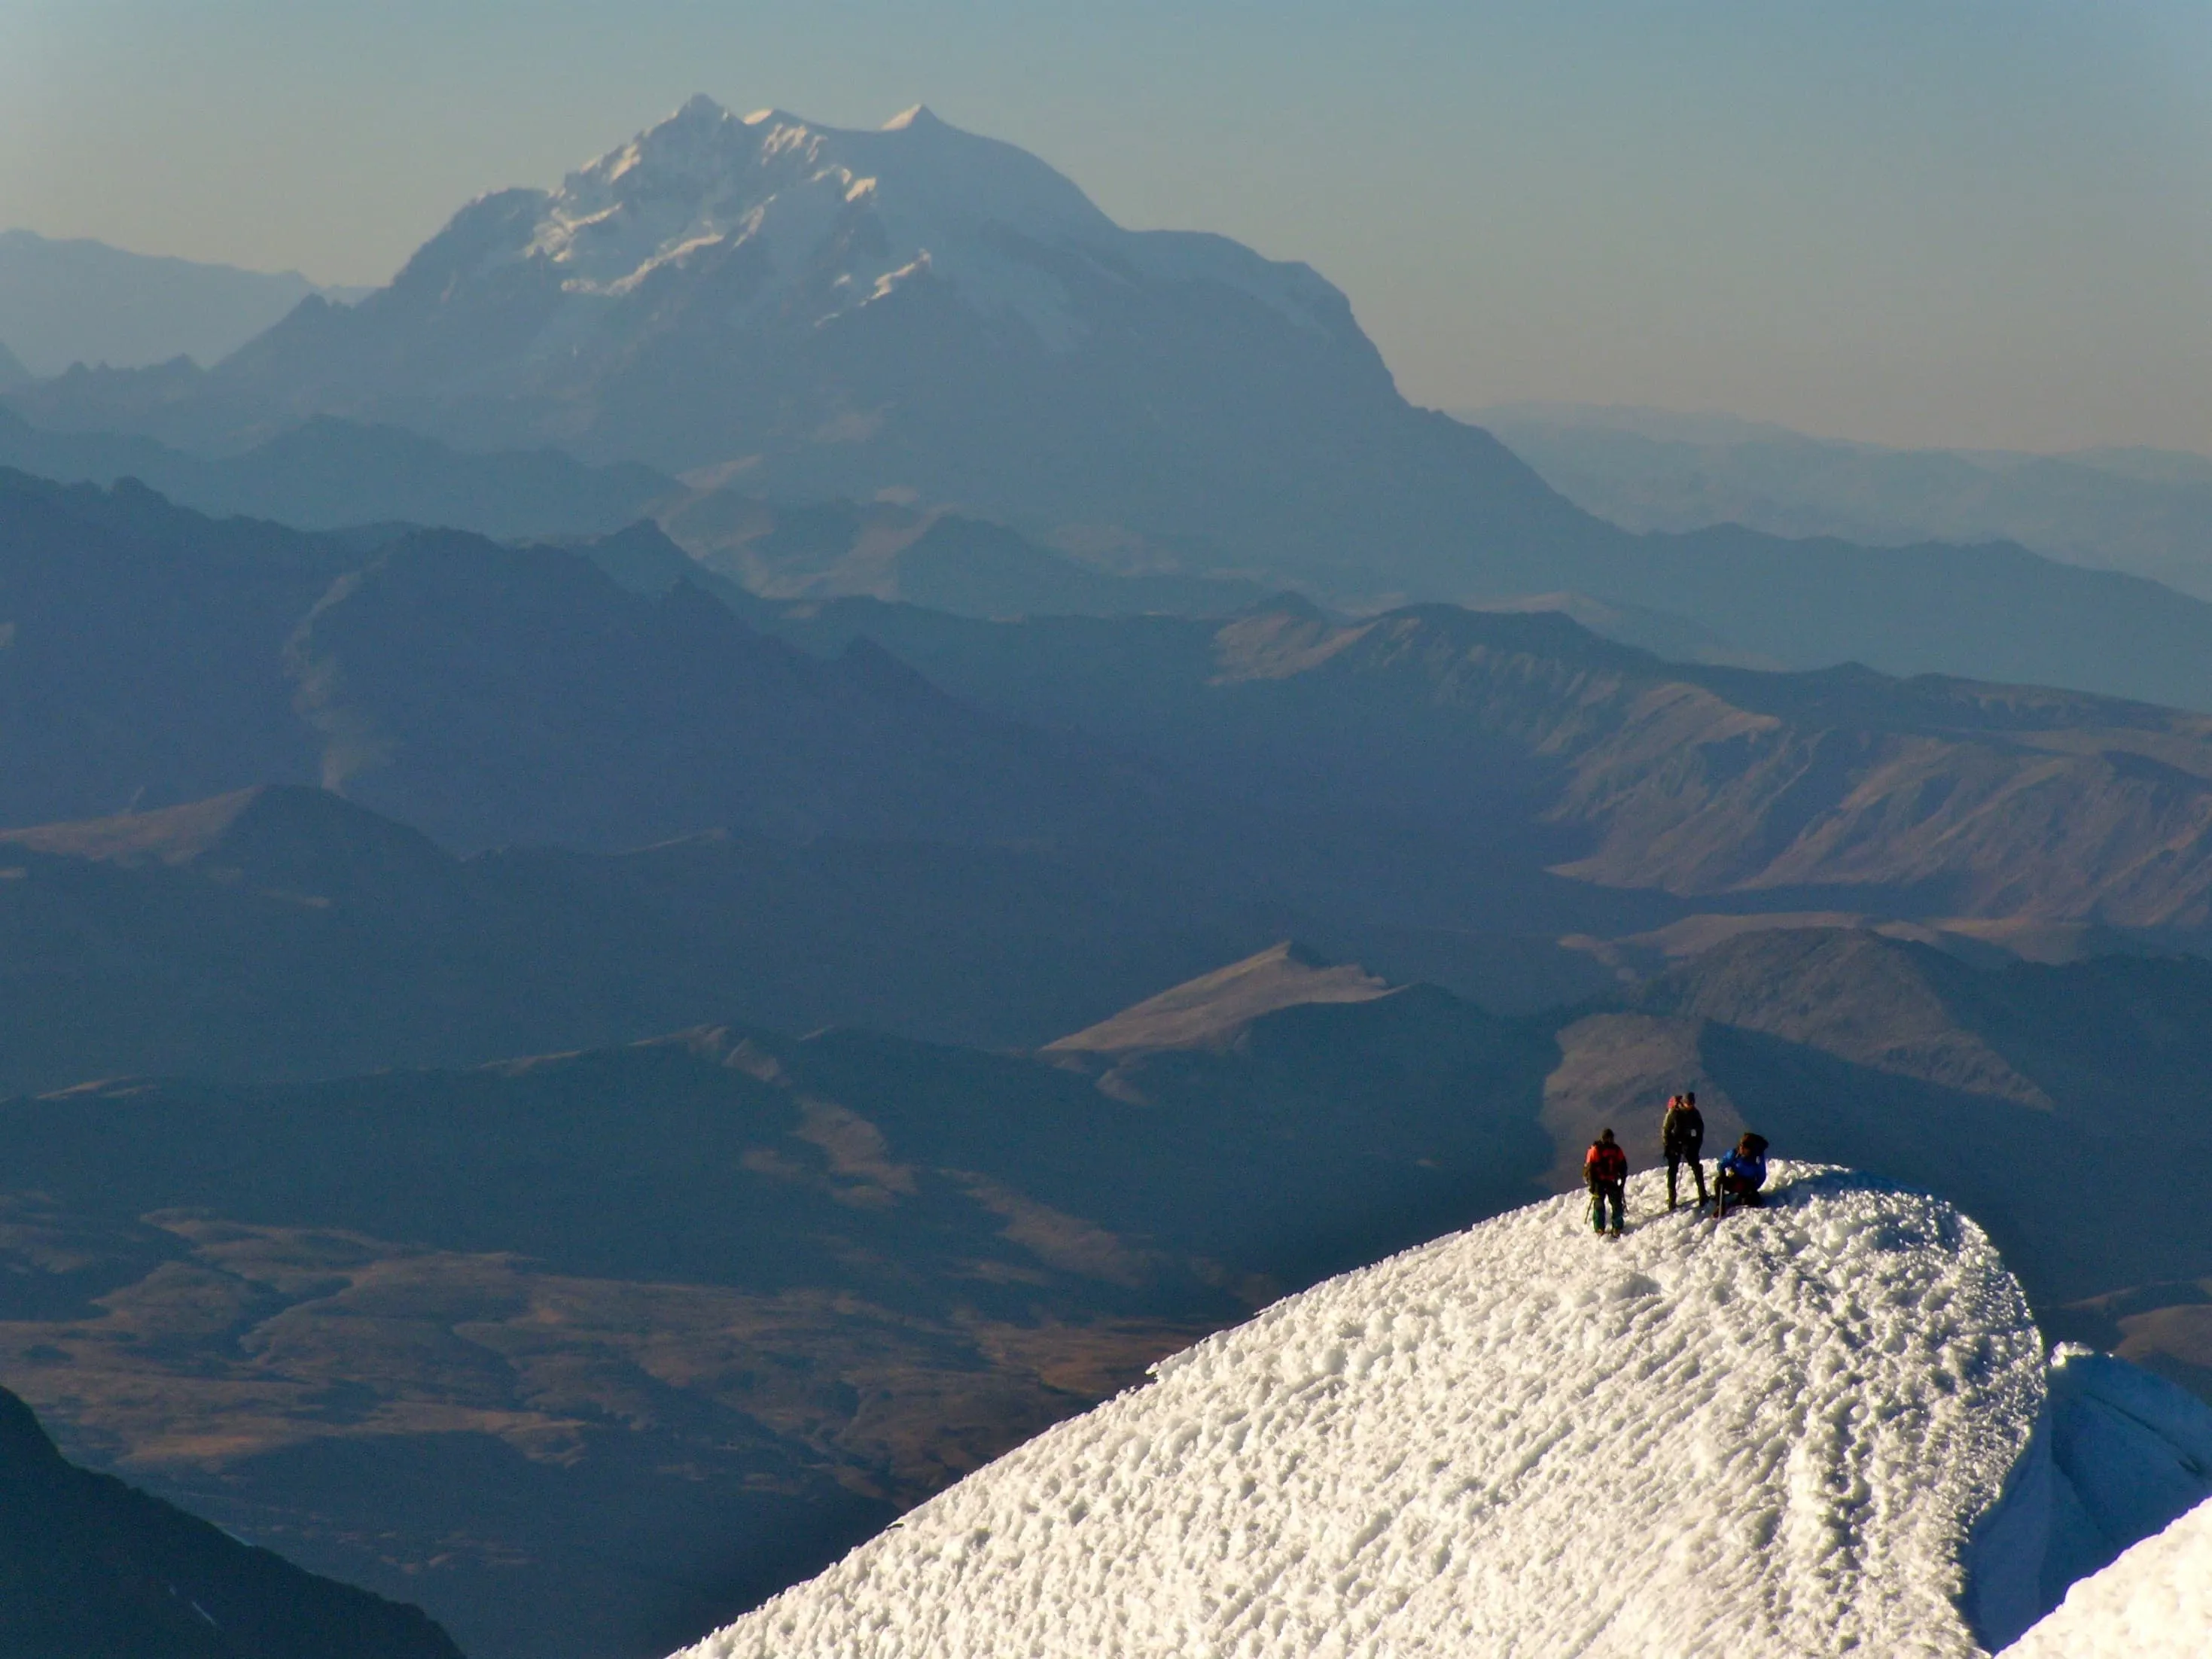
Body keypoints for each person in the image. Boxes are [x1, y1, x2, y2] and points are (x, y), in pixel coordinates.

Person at [1662, 1091, 1707, 1211]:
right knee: (1673, 1172)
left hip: (1688, 1145)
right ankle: (1672, 1200)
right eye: (1689, 1104)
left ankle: (1703, 1196)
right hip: (1675, 1146)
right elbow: (1666, 1131)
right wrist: (1669, 1146)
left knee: (1696, 1169)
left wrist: (1695, 1146)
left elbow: (1700, 1131)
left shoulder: (1694, 1113)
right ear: (1684, 1102)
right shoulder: (1674, 1113)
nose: (1690, 1106)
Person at [1584, 1128, 1628, 1237]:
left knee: (1609, 1203)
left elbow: (1623, 1166)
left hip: (1604, 1181)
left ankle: (1603, 1227)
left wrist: (1592, 1186)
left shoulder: (1610, 1150)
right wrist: (1622, 1183)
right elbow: (1591, 1169)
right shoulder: (1612, 1150)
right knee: (1608, 1204)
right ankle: (1614, 1226)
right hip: (1602, 1181)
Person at [1714, 1132, 1770, 1218]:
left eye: (1744, 1148)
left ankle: (1740, 1199)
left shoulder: (1757, 1159)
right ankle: (1720, 1205)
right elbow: (1722, 1164)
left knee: (1753, 1201)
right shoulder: (1734, 1154)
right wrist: (1722, 1172)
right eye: (1741, 1146)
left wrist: (1753, 1188)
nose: (1741, 1149)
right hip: (1734, 1179)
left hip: (1747, 1184)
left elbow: (1761, 1176)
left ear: (1750, 1149)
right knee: (1718, 1182)